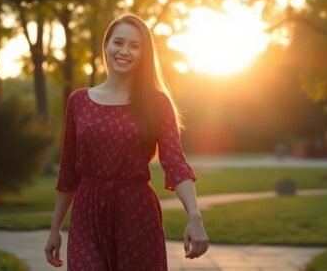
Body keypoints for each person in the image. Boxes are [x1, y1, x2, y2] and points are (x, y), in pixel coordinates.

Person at [44, 14, 209, 270]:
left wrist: (195, 216)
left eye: (135, 45)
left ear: (144, 53)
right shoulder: (79, 101)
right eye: (118, 42)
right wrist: (55, 229)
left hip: (136, 213)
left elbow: (175, 164)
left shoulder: (157, 104)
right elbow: (68, 172)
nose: (125, 51)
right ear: (106, 47)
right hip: (88, 213)